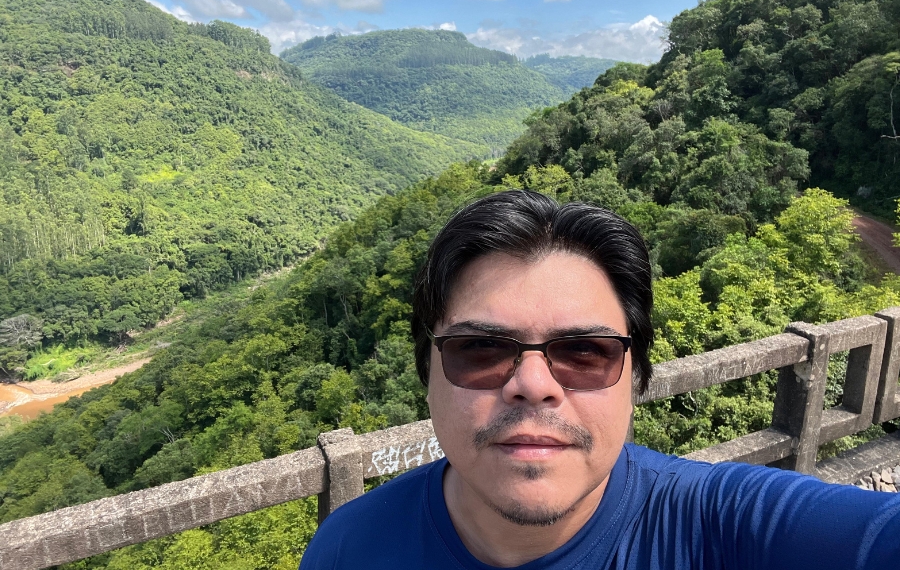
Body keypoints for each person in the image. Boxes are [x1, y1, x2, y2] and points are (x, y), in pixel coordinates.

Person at [300, 190, 900, 569]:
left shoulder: (728, 529)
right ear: (425, 374)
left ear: (635, 376)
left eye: (585, 351)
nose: (533, 383)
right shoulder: (350, 546)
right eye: (480, 349)